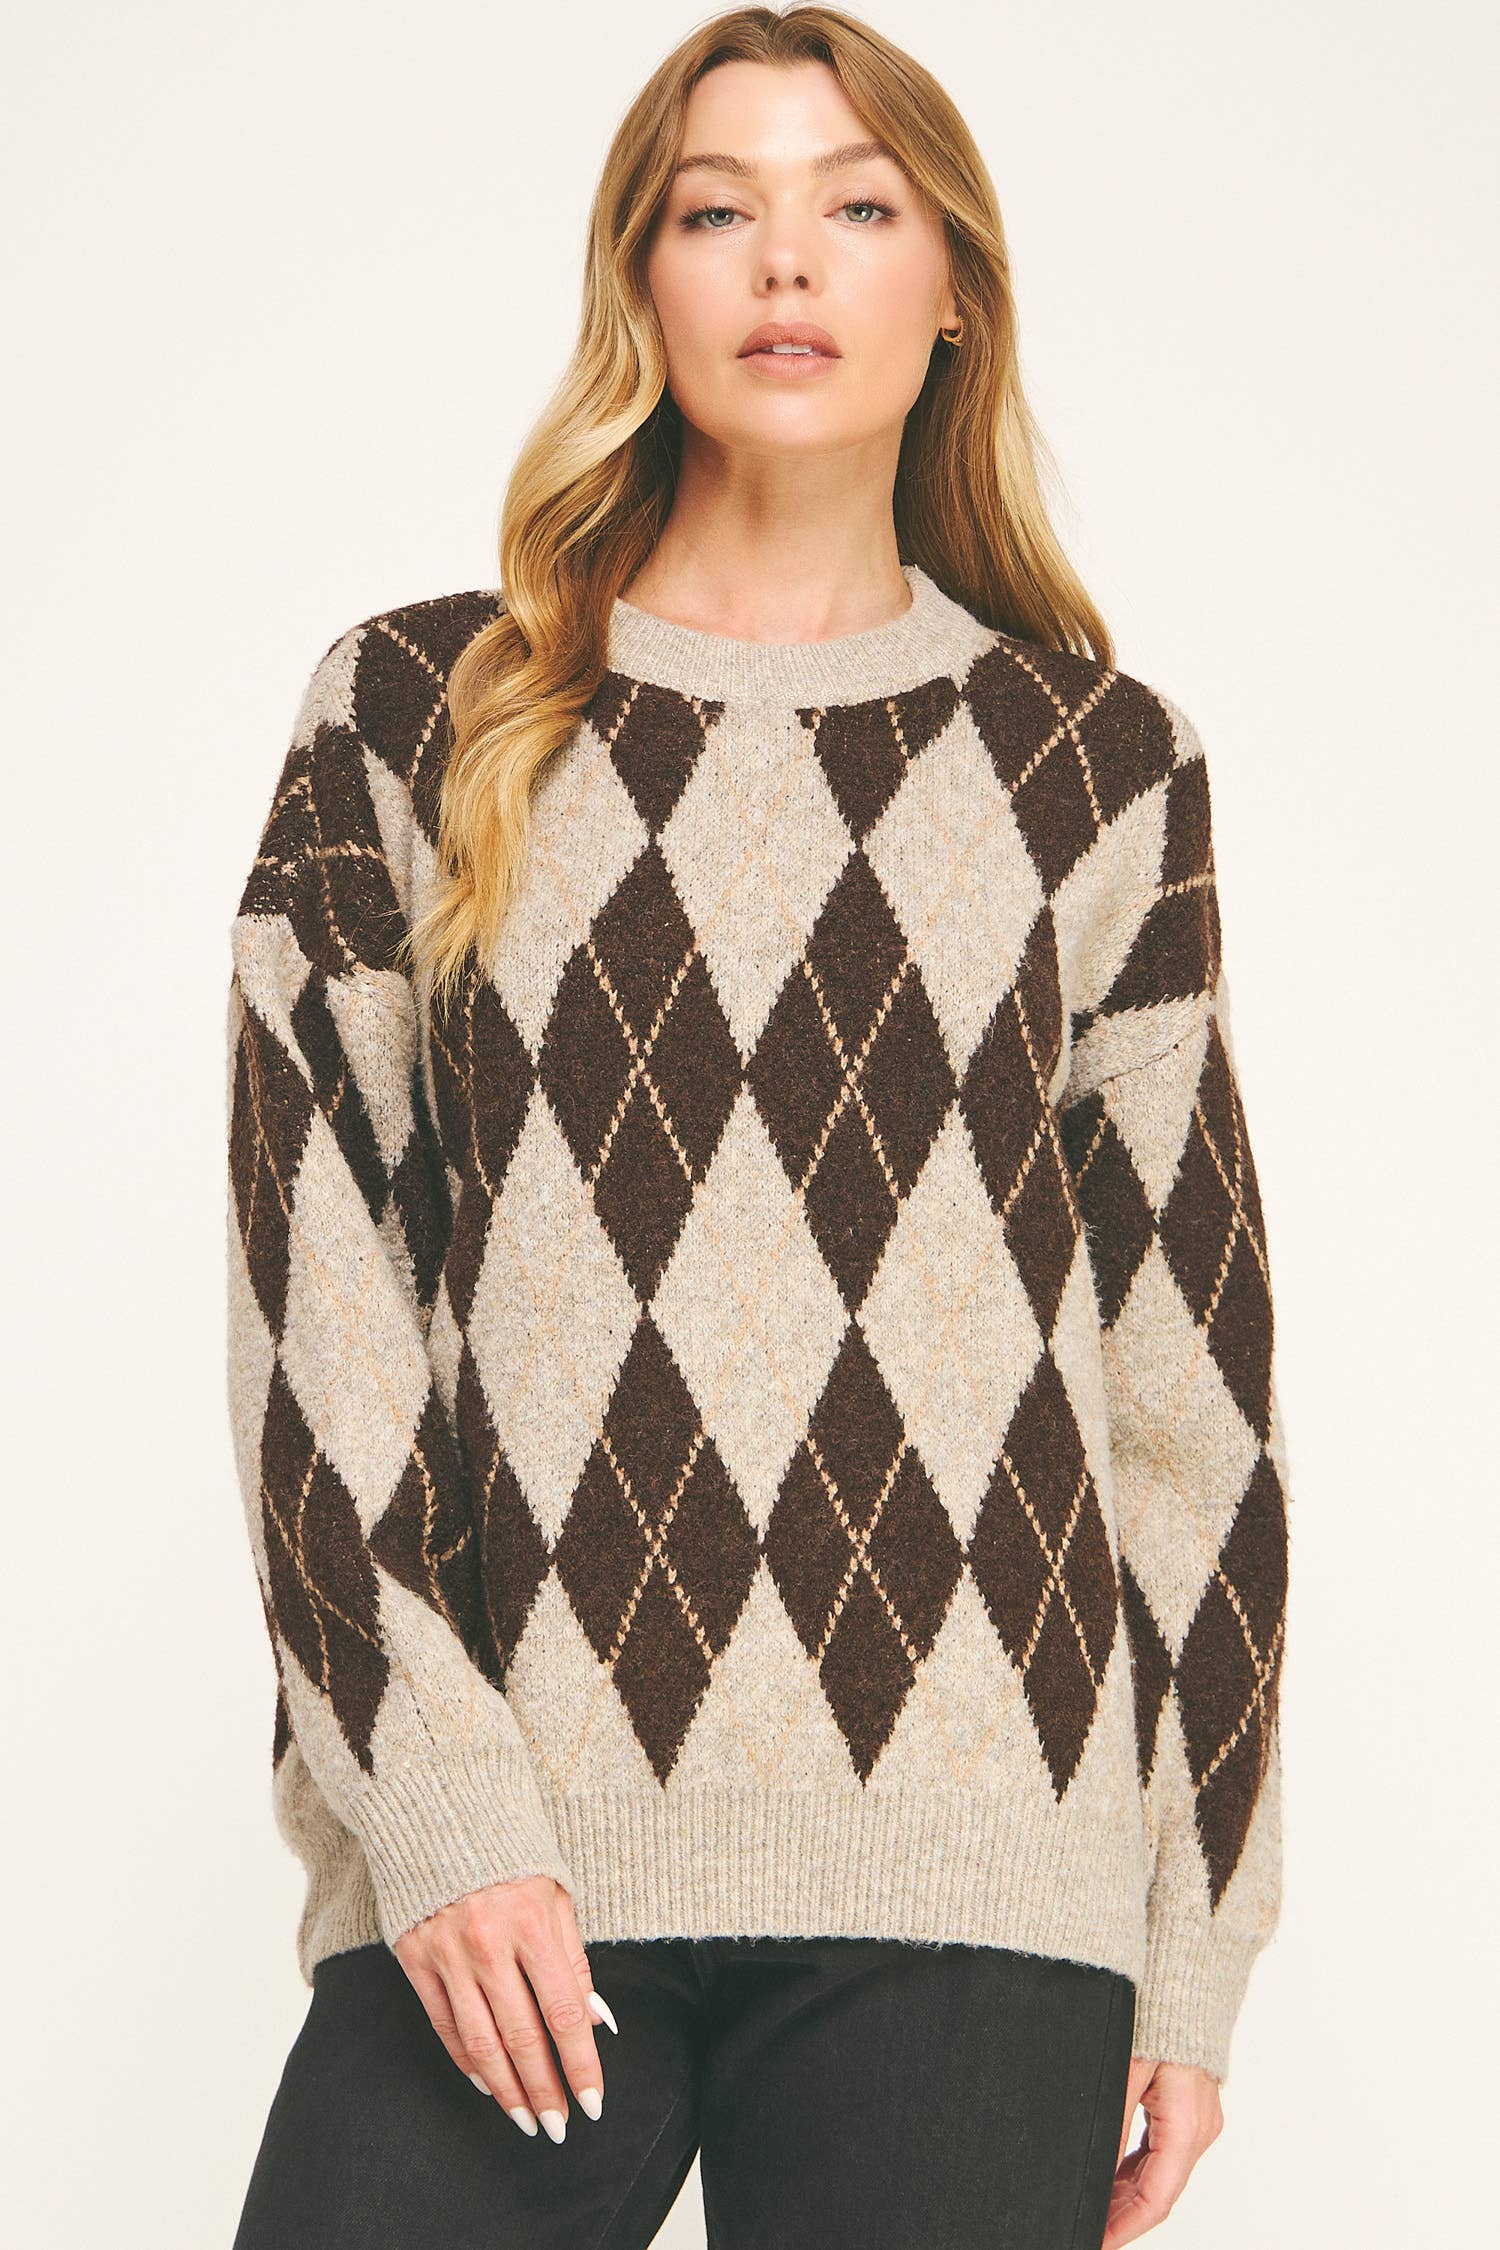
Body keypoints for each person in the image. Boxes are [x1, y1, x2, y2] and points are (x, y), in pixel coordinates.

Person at [225, 9, 1290, 2246]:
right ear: (644, 275)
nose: (786, 261)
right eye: (719, 210)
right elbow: (317, 1302)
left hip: (983, 1876)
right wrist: (436, 1805)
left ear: (953, 288)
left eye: (857, 206)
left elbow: (1187, 1398)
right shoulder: (418, 714)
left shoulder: (1097, 769)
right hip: (516, 1846)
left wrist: (1194, 1951)